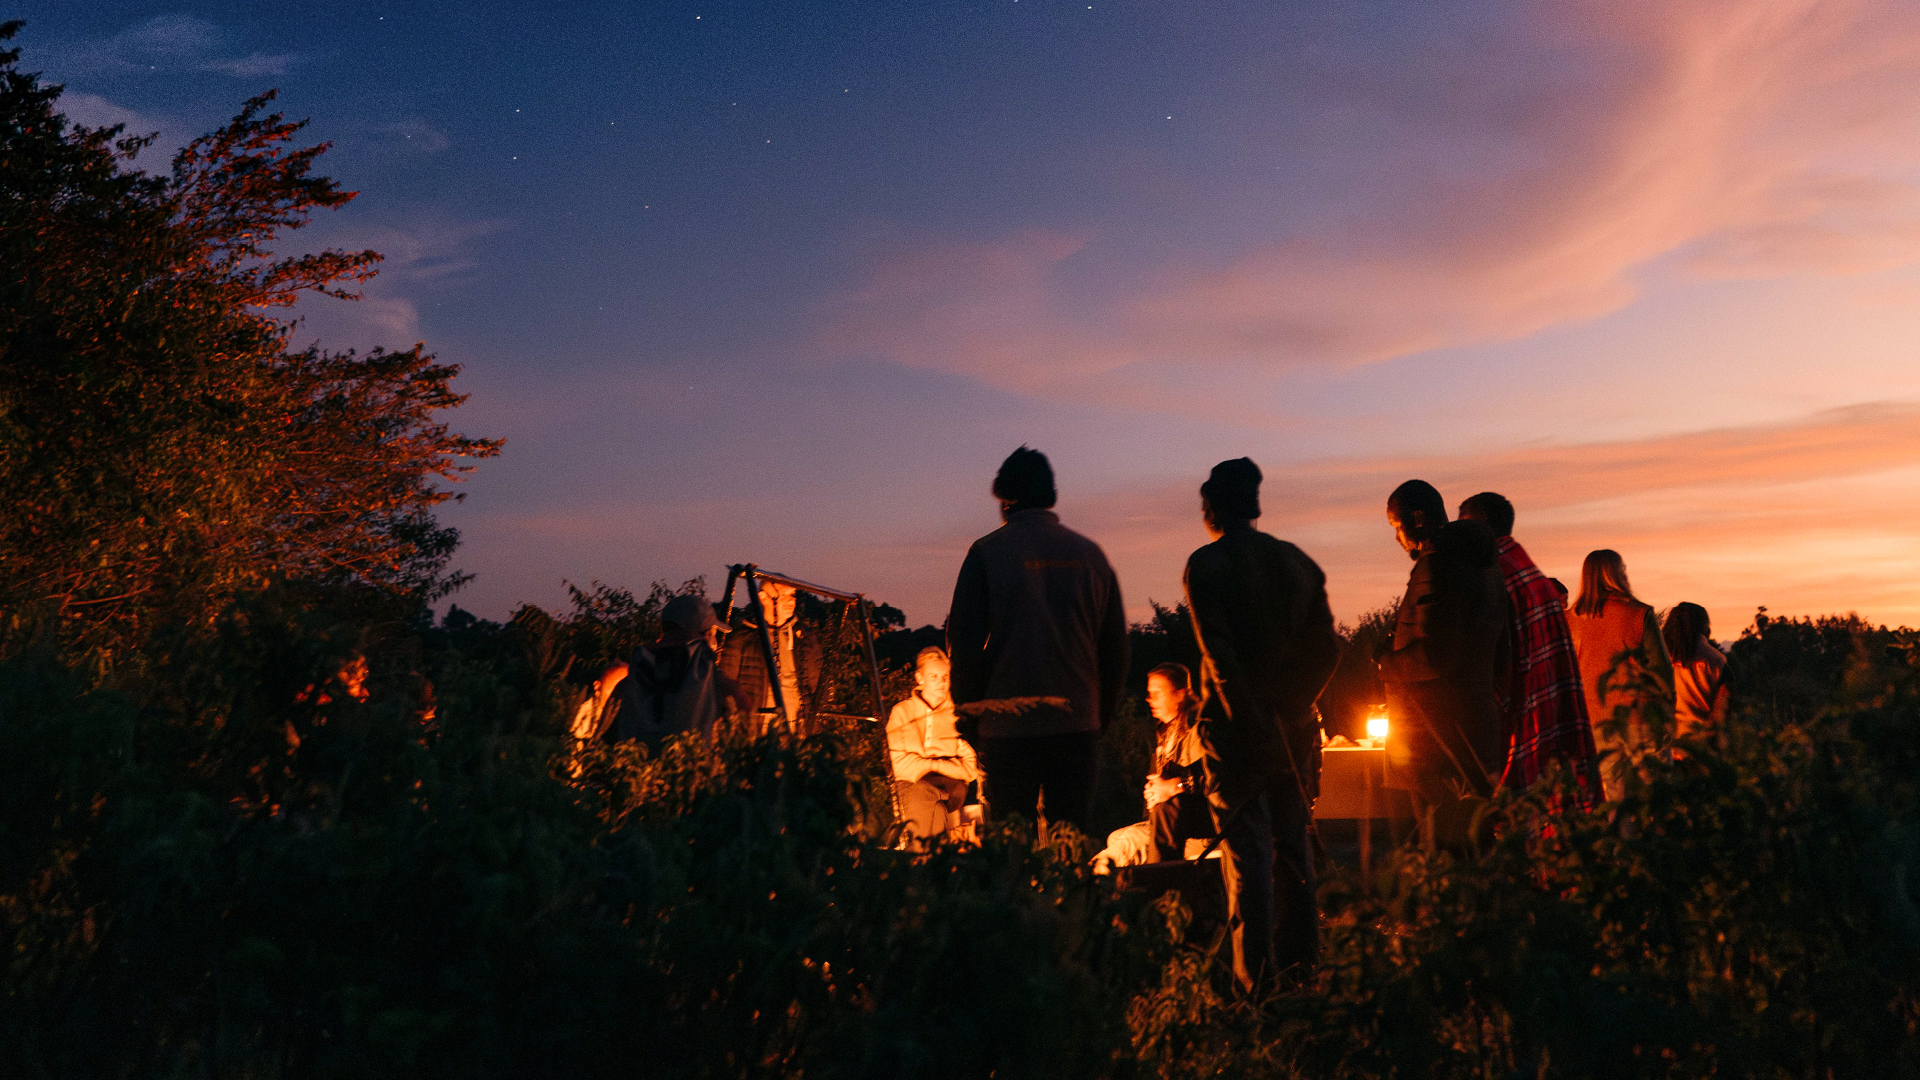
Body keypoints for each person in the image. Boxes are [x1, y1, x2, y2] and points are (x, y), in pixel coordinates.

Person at [1183, 458, 1341, 990]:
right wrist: (1295, 707)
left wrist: (1252, 722)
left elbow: (1220, 657)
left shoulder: (1207, 565)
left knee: (1248, 863)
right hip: (1294, 733)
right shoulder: (1296, 562)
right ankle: (1303, 971)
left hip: (1237, 741)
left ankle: (1256, 988)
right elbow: (1327, 648)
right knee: (1295, 854)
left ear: (1213, 507)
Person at [947, 446, 1129, 837]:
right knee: (1071, 841)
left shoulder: (987, 553)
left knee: (1011, 847)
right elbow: (1114, 647)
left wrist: (968, 717)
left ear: (1005, 499)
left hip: (1008, 729)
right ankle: (1072, 898)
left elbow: (963, 643)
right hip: (1077, 724)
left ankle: (1018, 898)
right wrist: (1102, 715)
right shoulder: (1091, 556)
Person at [1377, 481, 1512, 821]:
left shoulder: (1436, 563)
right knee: (1478, 838)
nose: (1396, 537)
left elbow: (1434, 657)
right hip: (1477, 725)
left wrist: (1386, 662)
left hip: (1435, 740)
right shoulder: (1488, 568)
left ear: (1418, 518)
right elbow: (1502, 652)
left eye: (1397, 525)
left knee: (1447, 843)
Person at [1457, 491, 1600, 807]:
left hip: (1514, 713)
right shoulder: (1530, 575)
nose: (1458, 532)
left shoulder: (1495, 574)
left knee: (1505, 815)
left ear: (1482, 525)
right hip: (1543, 709)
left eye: (1464, 524)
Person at [1567, 550, 1674, 800]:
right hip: (1642, 719)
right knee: (1659, 795)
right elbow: (1662, 670)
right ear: (1617, 574)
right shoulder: (1639, 614)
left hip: (1597, 724)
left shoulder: (1569, 620)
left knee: (1616, 799)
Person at [1092, 662, 1211, 871]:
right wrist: (1153, 792)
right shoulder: (1165, 735)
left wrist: (1176, 785)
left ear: (1180, 694)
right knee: (1117, 837)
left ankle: (1157, 883)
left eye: (1158, 693)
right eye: (1149, 693)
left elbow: (1213, 776)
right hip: (1168, 821)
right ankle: (1094, 874)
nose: (1150, 700)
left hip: (1201, 823)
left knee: (1130, 842)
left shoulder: (1198, 729)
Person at [612, 593, 749, 748]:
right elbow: (747, 727)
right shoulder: (716, 682)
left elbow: (608, 734)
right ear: (706, 634)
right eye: (714, 633)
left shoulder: (629, 681)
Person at [886, 647, 979, 846]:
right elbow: (898, 765)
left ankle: (920, 866)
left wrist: (924, 763)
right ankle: (931, 863)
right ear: (920, 678)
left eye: (945, 675)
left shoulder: (957, 714)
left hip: (951, 789)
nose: (942, 682)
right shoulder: (902, 713)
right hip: (913, 786)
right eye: (934, 676)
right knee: (932, 806)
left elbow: (971, 768)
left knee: (932, 800)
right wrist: (943, 764)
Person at [718, 577, 823, 735]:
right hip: (758, 728)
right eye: (783, 595)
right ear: (763, 597)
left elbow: (819, 685)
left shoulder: (805, 639)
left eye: (793, 595)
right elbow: (725, 685)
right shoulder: (742, 639)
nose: (790, 601)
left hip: (798, 729)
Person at [1663, 602, 1728, 741]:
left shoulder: (1659, 657)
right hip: (1701, 745)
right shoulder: (1717, 662)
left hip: (1666, 745)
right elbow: (1723, 710)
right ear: (1704, 626)